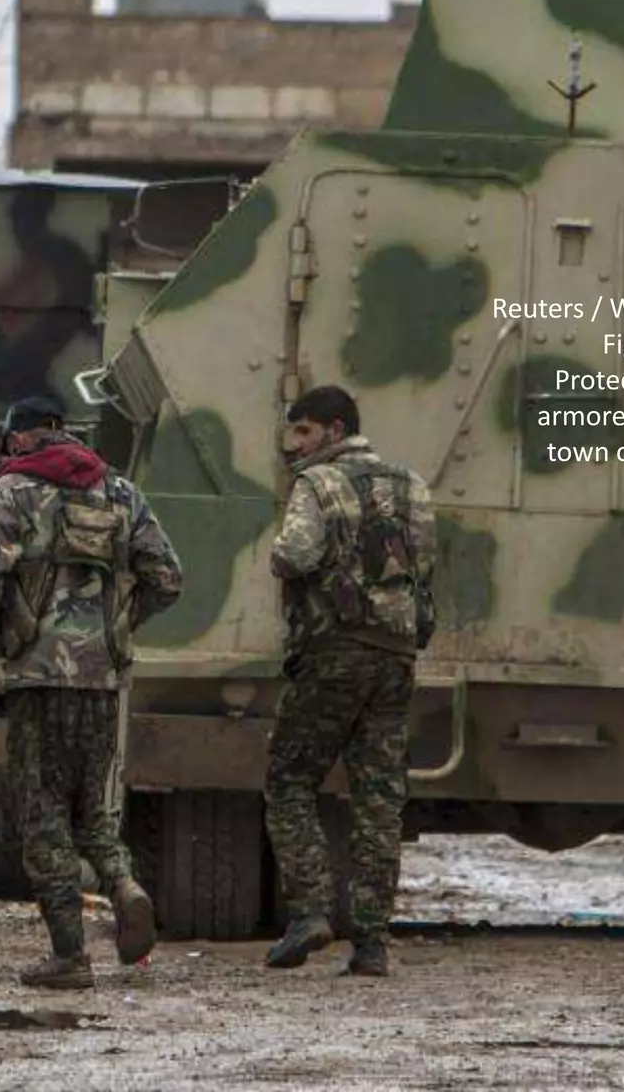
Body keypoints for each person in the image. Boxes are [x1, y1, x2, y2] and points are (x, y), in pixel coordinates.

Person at [0, 395, 183, 989]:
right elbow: (167, 578)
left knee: (43, 814)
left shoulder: (13, 491)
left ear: (21, 438)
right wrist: (115, 630)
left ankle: (70, 955)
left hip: (36, 677)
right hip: (101, 679)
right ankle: (124, 885)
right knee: (94, 810)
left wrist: (3, 626)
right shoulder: (121, 492)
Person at [261, 384, 436, 978]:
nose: (296, 445)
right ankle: (373, 942)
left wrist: (281, 558)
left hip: (334, 652)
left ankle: (310, 911)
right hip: (396, 655)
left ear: (334, 431)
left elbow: (295, 555)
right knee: (380, 798)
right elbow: (426, 566)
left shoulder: (317, 485)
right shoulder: (411, 485)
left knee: (289, 778)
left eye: (304, 433)